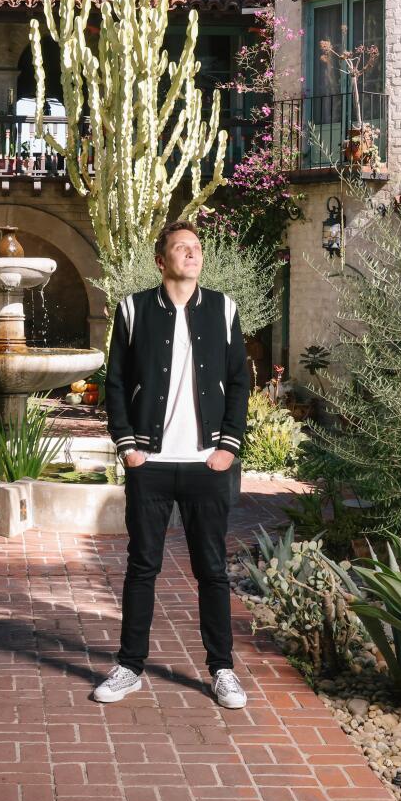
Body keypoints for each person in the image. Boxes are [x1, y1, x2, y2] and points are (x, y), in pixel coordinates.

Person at [93, 220, 252, 709]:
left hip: (208, 462)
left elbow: (239, 381)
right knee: (142, 566)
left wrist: (228, 447)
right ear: (161, 261)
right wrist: (128, 447)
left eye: (197, 248)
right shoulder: (133, 310)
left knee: (212, 570)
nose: (192, 254)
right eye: (181, 248)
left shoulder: (223, 309)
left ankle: (222, 669)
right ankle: (129, 667)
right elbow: (115, 381)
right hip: (152, 462)